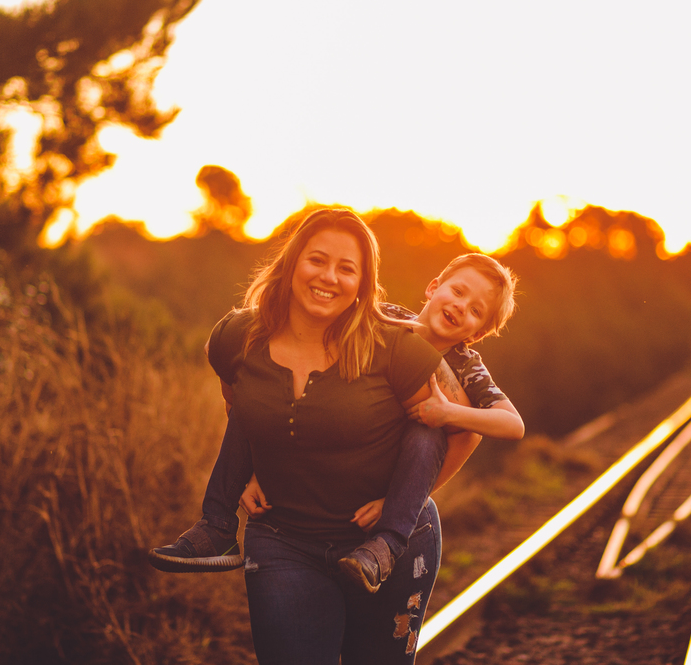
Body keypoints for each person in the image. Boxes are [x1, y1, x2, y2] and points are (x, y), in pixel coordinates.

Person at [151, 251, 522, 596]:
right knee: (258, 399)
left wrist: (450, 414)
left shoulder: (467, 367)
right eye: (457, 291)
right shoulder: (383, 317)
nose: (460, 306)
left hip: (393, 478)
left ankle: (387, 545)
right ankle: (216, 525)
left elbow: (512, 425)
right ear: (433, 287)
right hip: (341, 445)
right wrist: (260, 471)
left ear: (477, 334)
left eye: (475, 311)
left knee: (425, 435)